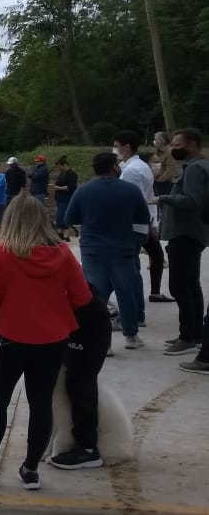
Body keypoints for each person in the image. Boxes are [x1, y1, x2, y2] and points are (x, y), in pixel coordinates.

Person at [0, 194, 91, 491]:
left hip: (9, 339)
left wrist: (0, 323)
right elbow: (82, 297)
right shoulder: (63, 253)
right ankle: (30, 469)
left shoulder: (2, 252)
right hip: (53, 341)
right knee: (41, 405)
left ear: (10, 219)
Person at [65, 153, 151, 350]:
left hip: (93, 250)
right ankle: (131, 336)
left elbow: (70, 218)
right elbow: (143, 217)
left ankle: (104, 343)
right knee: (126, 293)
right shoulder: (130, 190)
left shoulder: (84, 190)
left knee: (96, 296)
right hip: (123, 249)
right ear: (113, 166)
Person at [154, 128, 209, 370]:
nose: (173, 149)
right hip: (192, 234)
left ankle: (187, 335)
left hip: (185, 234)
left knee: (179, 286)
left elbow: (192, 201)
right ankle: (196, 333)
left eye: (178, 144)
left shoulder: (196, 169)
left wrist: (163, 198)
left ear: (193, 145)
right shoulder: (198, 166)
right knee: (191, 284)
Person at [48, 289, 113, 470]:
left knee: (79, 382)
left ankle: (87, 448)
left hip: (87, 319)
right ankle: (52, 439)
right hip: (67, 316)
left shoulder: (57, 263)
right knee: (56, 385)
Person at [114, 131, 170, 309]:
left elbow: (134, 201)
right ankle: (150, 295)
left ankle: (133, 307)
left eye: (117, 145)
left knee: (132, 265)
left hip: (135, 225)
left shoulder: (131, 170)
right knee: (155, 256)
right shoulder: (139, 166)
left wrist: (147, 223)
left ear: (126, 147)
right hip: (143, 221)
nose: (115, 149)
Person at [53, 157, 79, 241]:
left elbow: (71, 187)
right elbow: (58, 183)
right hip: (60, 198)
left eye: (60, 166)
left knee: (63, 216)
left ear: (65, 165)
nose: (59, 169)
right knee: (58, 217)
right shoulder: (62, 174)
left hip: (67, 198)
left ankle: (66, 236)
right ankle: (60, 234)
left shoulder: (72, 174)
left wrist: (58, 187)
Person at [153, 131, 179, 199]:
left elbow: (171, 169)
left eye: (156, 139)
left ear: (162, 141)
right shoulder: (156, 152)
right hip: (155, 181)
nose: (154, 141)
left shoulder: (170, 152)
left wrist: (159, 180)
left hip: (164, 183)